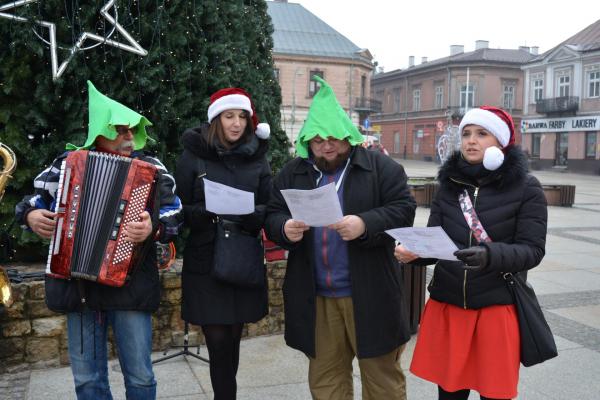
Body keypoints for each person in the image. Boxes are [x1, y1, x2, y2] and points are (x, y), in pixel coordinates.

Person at [15, 81, 183, 400]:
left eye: (132, 130)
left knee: (141, 377)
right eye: (120, 130)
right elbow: (34, 201)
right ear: (99, 132)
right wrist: (30, 217)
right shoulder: (68, 163)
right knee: (88, 380)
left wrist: (153, 228)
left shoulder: (152, 168)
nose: (129, 137)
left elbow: (176, 211)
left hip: (131, 286)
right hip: (80, 289)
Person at [264, 76, 416, 400]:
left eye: (333, 137)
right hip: (316, 295)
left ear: (348, 135)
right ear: (307, 140)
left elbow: (404, 209)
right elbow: (272, 212)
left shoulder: (381, 168)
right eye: (317, 139)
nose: (326, 146)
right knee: (327, 383)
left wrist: (365, 223)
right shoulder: (294, 172)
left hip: (370, 294)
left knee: (382, 384)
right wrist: (283, 228)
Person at [394, 106, 547, 400]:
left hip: (495, 309)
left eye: (481, 133)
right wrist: (416, 253)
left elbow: (532, 250)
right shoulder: (449, 186)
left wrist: (489, 255)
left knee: (494, 392)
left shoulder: (527, 188)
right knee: (450, 392)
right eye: (466, 134)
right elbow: (436, 240)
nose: (471, 141)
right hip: (449, 305)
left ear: (500, 143)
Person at [175, 87, 272, 400]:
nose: (236, 123)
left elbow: (269, 207)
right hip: (206, 257)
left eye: (242, 117)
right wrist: (204, 211)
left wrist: (251, 214)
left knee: (233, 337)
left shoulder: (258, 158)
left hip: (242, 255)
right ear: (216, 118)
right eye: (229, 116)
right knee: (217, 341)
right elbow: (177, 209)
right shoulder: (193, 157)